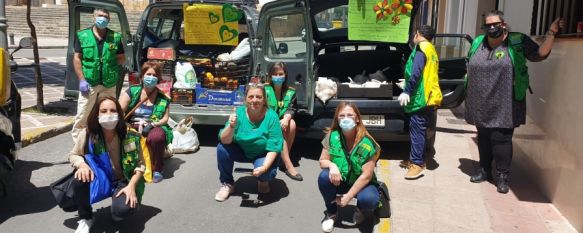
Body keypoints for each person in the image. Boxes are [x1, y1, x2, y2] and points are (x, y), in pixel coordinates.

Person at [466, 10, 565, 193]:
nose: (492, 28)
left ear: (503, 24)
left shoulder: (517, 40)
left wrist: (551, 33)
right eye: (488, 25)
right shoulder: (479, 42)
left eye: (495, 23)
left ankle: (503, 176)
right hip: (480, 100)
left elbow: (540, 53)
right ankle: (484, 171)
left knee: (501, 138)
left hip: (506, 100)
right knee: (484, 137)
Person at [68, 96, 145, 233]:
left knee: (123, 210)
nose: (108, 114)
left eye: (112, 110)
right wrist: (82, 165)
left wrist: (131, 186)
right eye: (103, 111)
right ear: (97, 114)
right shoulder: (88, 134)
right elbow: (74, 154)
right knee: (78, 180)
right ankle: (86, 217)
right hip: (100, 177)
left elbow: (140, 164)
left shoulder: (130, 135)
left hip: (122, 181)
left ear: (119, 114)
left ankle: (119, 208)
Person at [317, 102, 381, 232]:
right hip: (341, 179)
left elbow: (366, 176)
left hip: (362, 183)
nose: (346, 118)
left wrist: (348, 197)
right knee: (324, 177)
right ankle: (332, 213)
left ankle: (361, 210)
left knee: (369, 200)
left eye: (350, 115)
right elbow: (322, 160)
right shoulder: (332, 136)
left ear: (357, 119)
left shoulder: (368, 143)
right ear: (337, 119)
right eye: (342, 116)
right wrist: (332, 165)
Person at [215, 83, 283, 202]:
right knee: (222, 148)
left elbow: (274, 147)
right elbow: (225, 140)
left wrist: (265, 167)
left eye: (259, 97)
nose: (254, 100)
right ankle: (227, 183)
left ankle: (263, 180)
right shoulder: (239, 113)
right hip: (242, 150)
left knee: (265, 174)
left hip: (263, 154)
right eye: (251, 97)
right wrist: (231, 126)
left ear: (264, 99)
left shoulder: (272, 116)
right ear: (246, 98)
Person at [71, 8, 125, 144]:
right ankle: (79, 147)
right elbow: (77, 58)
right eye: (100, 16)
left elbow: (121, 58)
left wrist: (109, 66)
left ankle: (106, 143)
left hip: (109, 83)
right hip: (89, 83)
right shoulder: (82, 36)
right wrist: (82, 80)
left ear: (109, 20)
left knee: (109, 115)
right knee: (83, 114)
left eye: (106, 16)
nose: (103, 19)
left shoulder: (116, 37)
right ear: (93, 18)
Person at [397, 25, 442, 179]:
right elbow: (424, 74)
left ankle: (417, 164)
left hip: (421, 98)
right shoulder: (431, 48)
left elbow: (416, 72)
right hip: (428, 95)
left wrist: (407, 90)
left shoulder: (421, 48)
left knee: (417, 131)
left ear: (417, 34)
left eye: (414, 35)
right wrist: (407, 81)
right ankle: (414, 159)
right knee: (419, 130)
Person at [119, 62, 172, 183]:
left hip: (153, 125)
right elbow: (120, 111)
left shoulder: (163, 97)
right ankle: (128, 166)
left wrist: (153, 125)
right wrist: (125, 125)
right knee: (127, 138)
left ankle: (157, 168)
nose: (151, 77)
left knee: (158, 137)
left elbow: (165, 119)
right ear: (142, 76)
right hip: (131, 124)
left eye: (154, 75)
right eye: (148, 74)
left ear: (158, 78)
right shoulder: (132, 91)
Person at [264, 62, 302, 181]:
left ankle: (283, 158)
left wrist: (286, 118)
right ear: (270, 76)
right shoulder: (264, 89)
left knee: (292, 124)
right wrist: (277, 120)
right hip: (267, 120)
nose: (278, 76)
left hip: (282, 121)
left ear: (285, 75)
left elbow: (291, 108)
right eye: (275, 74)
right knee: (280, 127)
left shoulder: (291, 91)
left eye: (281, 74)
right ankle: (288, 165)